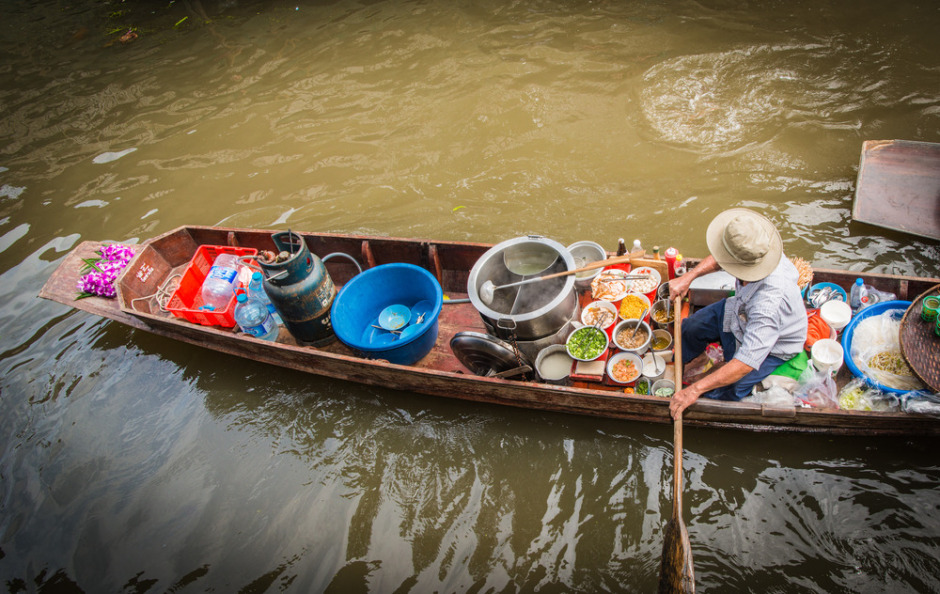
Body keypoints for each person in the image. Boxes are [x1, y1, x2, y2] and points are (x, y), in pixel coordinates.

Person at [667, 208, 807, 419]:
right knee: (689, 328)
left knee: (726, 390)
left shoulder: (768, 305)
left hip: (773, 345)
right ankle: (700, 359)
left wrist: (694, 390)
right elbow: (721, 257)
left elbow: (745, 363)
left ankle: (714, 379)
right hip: (739, 310)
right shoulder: (756, 249)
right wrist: (689, 276)